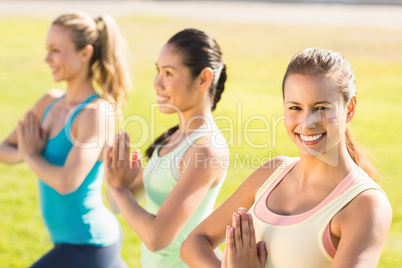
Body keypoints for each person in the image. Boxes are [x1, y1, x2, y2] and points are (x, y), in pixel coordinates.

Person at [180, 47, 392, 268]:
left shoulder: (365, 205)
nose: (307, 122)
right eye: (295, 107)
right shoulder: (272, 173)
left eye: (321, 108)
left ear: (349, 108)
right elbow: (193, 244)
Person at [0, 12, 131, 268]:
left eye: (56, 50)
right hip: (67, 242)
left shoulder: (96, 113)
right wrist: (24, 152)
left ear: (85, 53)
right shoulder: (50, 102)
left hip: (90, 242)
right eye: (47, 49)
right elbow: (4, 149)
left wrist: (30, 156)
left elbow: (67, 182)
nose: (47, 59)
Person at [104, 28, 229, 268]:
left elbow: (157, 238)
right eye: (158, 71)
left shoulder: (206, 150)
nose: (157, 83)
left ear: (203, 79)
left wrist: (120, 189)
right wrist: (117, 177)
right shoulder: (172, 139)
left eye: (169, 73)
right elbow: (117, 204)